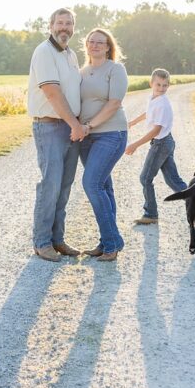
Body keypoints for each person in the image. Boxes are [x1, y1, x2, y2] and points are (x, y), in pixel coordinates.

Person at [26, 8, 85, 263]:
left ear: (73, 27)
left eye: (68, 23)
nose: (64, 27)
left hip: (70, 127)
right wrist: (74, 124)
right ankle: (41, 242)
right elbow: (51, 92)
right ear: (50, 26)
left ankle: (57, 239)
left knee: (64, 185)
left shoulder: (70, 54)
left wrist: (78, 124)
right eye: (60, 23)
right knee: (50, 184)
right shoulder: (44, 51)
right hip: (50, 127)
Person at [76, 28, 129, 262]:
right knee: (104, 188)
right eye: (91, 41)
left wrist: (89, 125)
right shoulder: (82, 72)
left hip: (111, 134)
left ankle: (112, 242)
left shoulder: (115, 69)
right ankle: (106, 242)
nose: (95, 45)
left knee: (91, 183)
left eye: (101, 42)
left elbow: (114, 103)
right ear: (86, 45)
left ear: (108, 47)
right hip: (87, 138)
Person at [124, 68, 188, 225]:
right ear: (151, 83)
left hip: (161, 143)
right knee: (173, 181)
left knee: (145, 178)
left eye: (165, 85)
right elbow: (148, 112)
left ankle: (151, 214)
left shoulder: (163, 103)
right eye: (158, 84)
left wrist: (135, 145)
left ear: (168, 85)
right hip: (165, 142)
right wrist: (132, 122)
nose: (161, 88)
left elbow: (156, 130)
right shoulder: (154, 98)